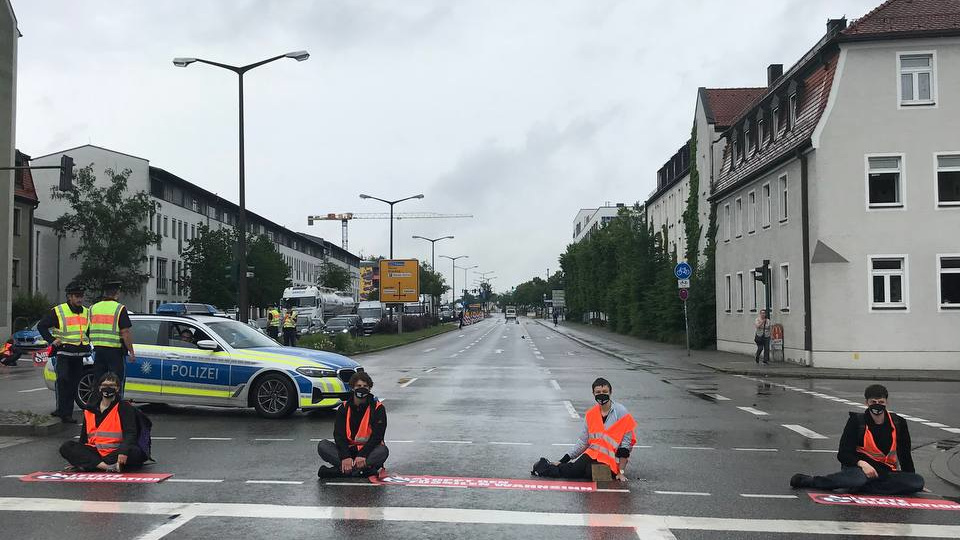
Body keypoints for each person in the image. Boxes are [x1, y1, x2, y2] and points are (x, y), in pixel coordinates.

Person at [790, 384, 925, 495]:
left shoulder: (898, 422)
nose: (877, 405)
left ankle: (864, 488)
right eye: (873, 402)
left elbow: (904, 454)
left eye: (881, 402)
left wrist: (910, 479)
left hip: (886, 472)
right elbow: (843, 454)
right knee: (856, 479)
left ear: (886, 402)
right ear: (866, 402)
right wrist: (862, 464)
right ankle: (812, 481)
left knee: (917, 482)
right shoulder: (856, 421)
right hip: (858, 470)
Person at [531, 377, 636, 482]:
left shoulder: (621, 413)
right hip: (592, 455)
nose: (601, 394)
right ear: (593, 393)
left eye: (605, 391)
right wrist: (563, 460)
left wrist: (621, 472)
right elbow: (583, 442)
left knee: (591, 473)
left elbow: (625, 447)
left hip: (611, 462)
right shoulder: (591, 414)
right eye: (598, 392)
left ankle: (566, 468)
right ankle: (544, 466)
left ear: (611, 392)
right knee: (573, 472)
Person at [59, 372, 147, 472]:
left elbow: (130, 433)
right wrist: (76, 457)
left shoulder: (124, 407)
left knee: (135, 453)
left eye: (112, 386)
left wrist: (123, 451)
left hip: (116, 452)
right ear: (99, 388)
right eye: (105, 385)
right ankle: (107, 467)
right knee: (66, 447)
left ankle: (93, 464)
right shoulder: (89, 409)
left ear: (117, 389)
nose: (108, 388)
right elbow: (83, 438)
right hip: (95, 452)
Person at [37, 282, 92, 423]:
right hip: (64, 353)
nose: (80, 299)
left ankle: (66, 413)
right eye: (77, 296)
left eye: (81, 296)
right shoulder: (59, 311)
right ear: (70, 297)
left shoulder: (86, 312)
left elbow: (88, 331)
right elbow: (42, 326)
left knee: (73, 384)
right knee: (63, 380)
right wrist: (51, 340)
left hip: (79, 354)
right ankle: (62, 410)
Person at [318, 371, 389, 479]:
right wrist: (346, 457)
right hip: (348, 451)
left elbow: (377, 437)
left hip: (368, 452)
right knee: (323, 445)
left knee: (383, 451)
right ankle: (363, 471)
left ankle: (338, 472)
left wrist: (362, 455)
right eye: (359, 386)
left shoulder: (378, 408)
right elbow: (339, 435)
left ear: (369, 389)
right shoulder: (344, 408)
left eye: (365, 386)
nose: (362, 388)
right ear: (352, 388)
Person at [89, 281, 136, 395]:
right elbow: (125, 332)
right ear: (117, 293)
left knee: (99, 381)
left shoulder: (93, 308)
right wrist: (131, 351)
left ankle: (98, 406)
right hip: (115, 351)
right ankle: (115, 407)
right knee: (117, 382)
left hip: (98, 350)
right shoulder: (119, 308)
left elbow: (88, 329)